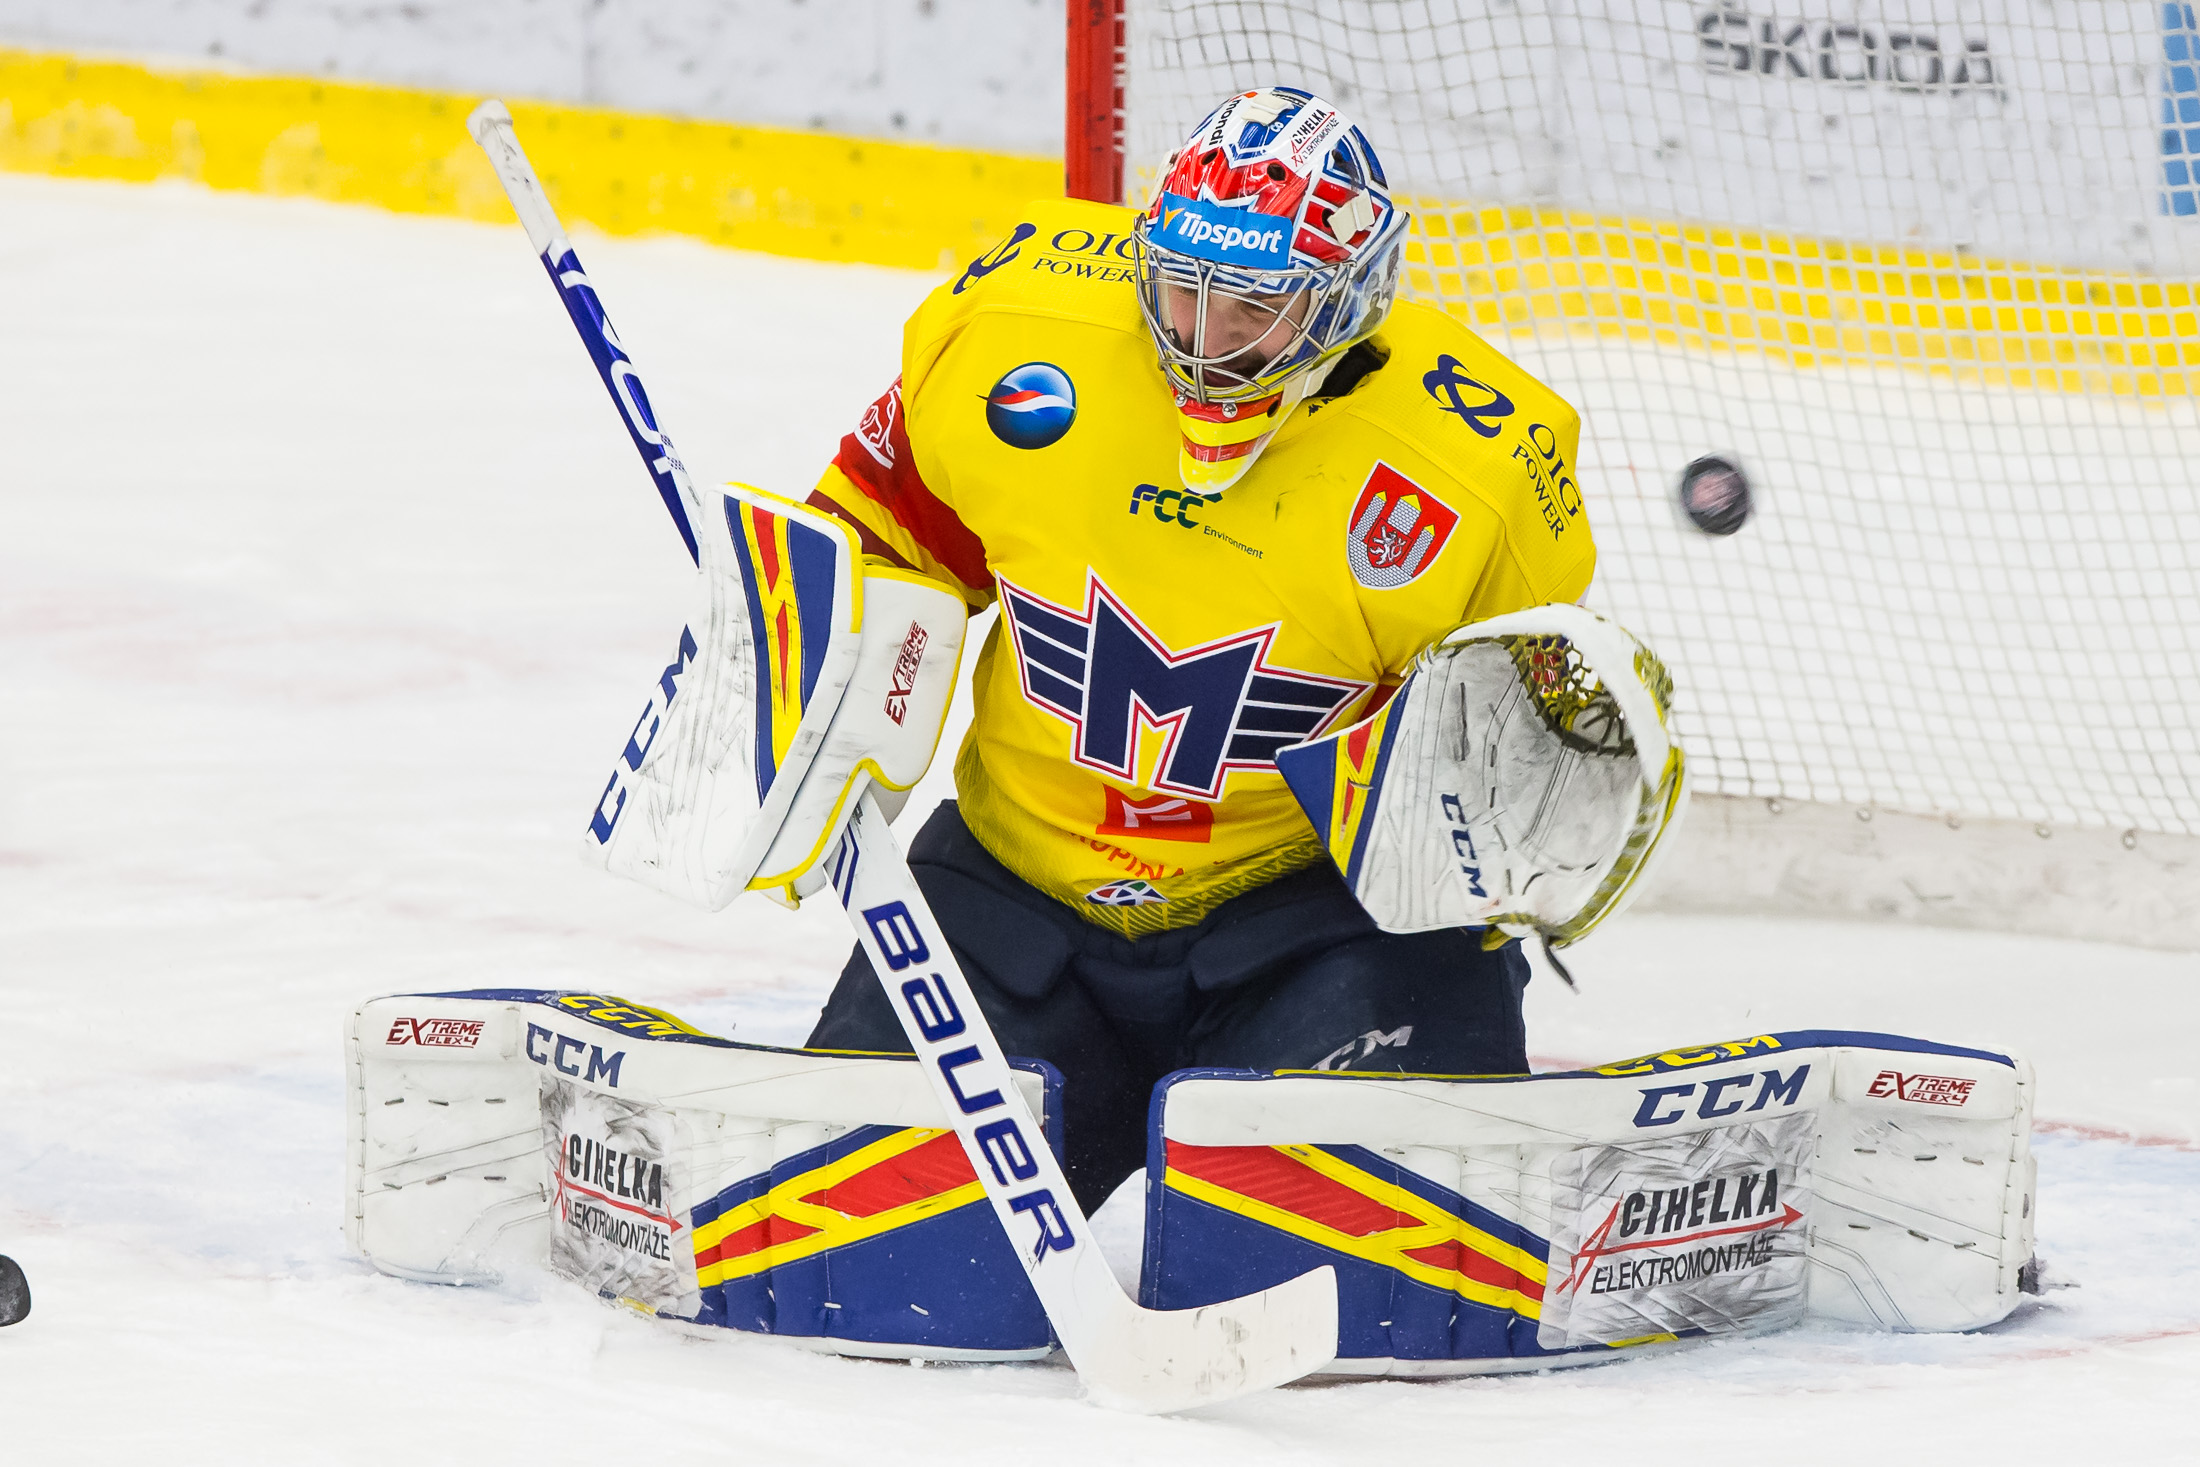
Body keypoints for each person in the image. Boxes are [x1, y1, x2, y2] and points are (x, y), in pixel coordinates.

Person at [800, 87, 1596, 1210]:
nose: (1204, 343)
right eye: (1183, 291)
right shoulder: (1014, 336)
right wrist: (804, 670)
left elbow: (1513, 747)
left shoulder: (1481, 468)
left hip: (1315, 930)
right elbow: (877, 532)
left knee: (1372, 1260)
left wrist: (1532, 803)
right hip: (1008, 909)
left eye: (1255, 307)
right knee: (849, 1238)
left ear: (1347, 299)